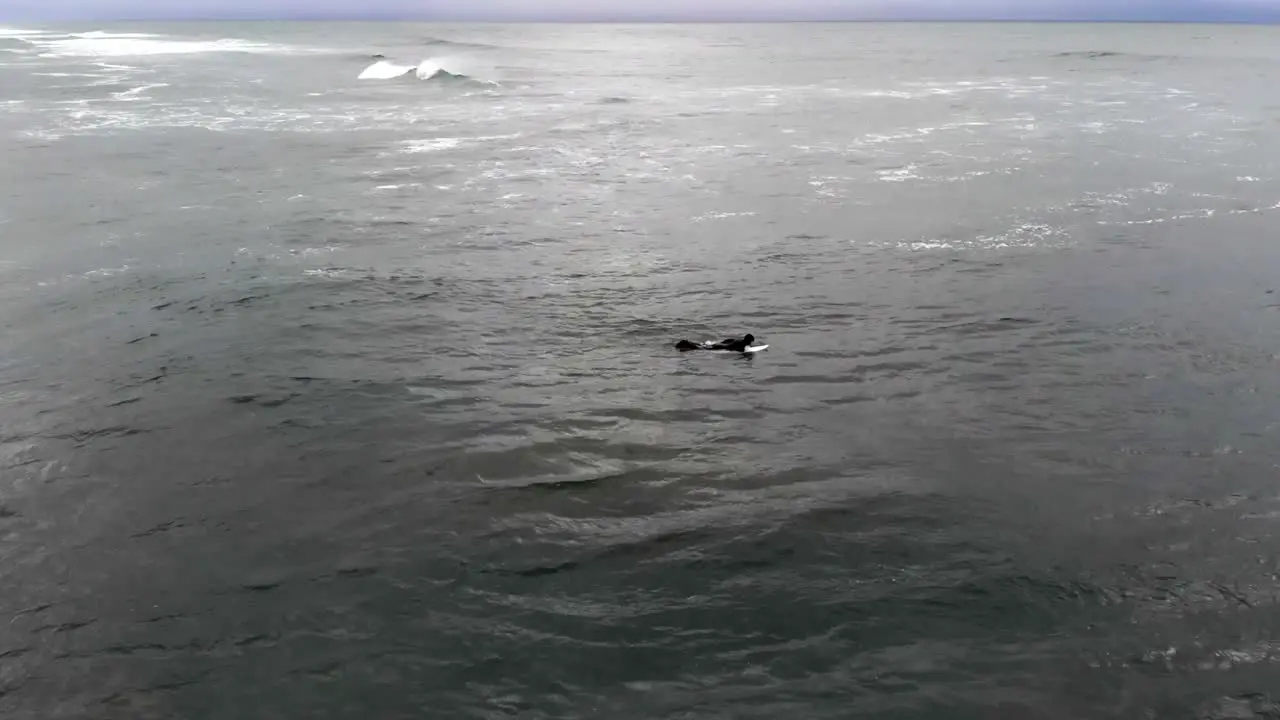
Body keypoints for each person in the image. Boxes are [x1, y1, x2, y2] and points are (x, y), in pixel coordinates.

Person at [675, 333, 755, 352]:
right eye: (751, 342)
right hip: (720, 347)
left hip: (720, 345)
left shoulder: (738, 340)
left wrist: (721, 342)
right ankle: (687, 343)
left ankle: (689, 342)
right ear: (749, 340)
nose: (751, 343)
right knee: (701, 348)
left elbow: (728, 340)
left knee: (703, 346)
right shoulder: (742, 344)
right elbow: (739, 350)